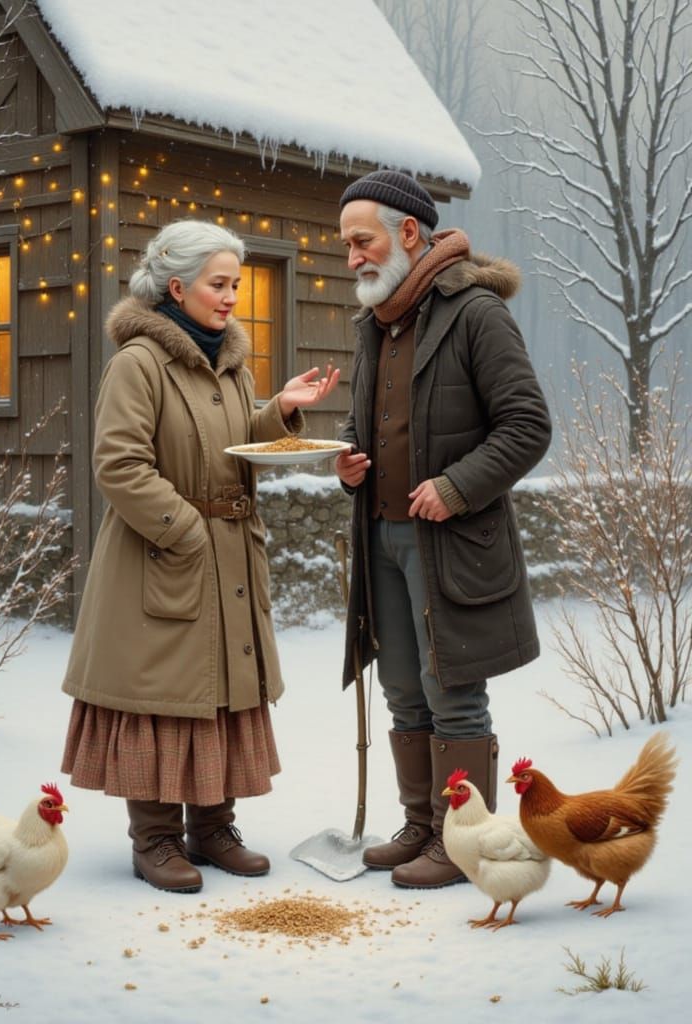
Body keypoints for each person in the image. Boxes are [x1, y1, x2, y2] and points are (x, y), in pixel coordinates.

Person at [60, 219, 339, 893]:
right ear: (176, 286)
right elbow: (119, 464)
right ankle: (154, 837)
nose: (231, 297)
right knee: (164, 694)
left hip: (232, 557)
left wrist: (279, 413)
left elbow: (237, 440)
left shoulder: (230, 365)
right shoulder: (138, 364)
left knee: (220, 691)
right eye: (219, 284)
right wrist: (187, 531)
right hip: (164, 556)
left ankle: (212, 828)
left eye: (236, 284)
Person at [334, 170, 551, 888]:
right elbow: (373, 422)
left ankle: (462, 844)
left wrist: (458, 487)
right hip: (383, 541)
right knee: (402, 686)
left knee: (450, 686)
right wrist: (349, 458)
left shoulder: (475, 312)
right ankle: (424, 826)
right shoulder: (376, 322)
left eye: (361, 241)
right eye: (345, 246)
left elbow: (528, 426)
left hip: (452, 544)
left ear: (406, 233)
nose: (353, 258)